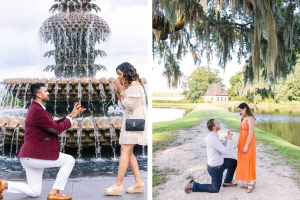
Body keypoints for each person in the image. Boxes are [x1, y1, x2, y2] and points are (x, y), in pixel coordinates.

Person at [0, 83, 85, 200]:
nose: (48, 93)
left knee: (34, 191)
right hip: (33, 155)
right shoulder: (37, 110)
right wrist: (70, 119)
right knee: (69, 160)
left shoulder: (36, 108)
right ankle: (55, 192)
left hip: (29, 156)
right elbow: (56, 129)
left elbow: (52, 124)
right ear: (39, 95)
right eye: (46, 91)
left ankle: (4, 184)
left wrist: (71, 115)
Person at [104, 62, 147, 196]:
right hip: (131, 119)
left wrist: (122, 91)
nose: (118, 77)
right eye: (117, 74)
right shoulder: (130, 87)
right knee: (129, 152)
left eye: (120, 74)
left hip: (135, 119)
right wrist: (119, 92)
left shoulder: (135, 86)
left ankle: (118, 185)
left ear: (126, 73)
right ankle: (139, 182)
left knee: (125, 150)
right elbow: (122, 105)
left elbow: (130, 105)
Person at [184, 119, 237, 193]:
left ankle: (227, 182)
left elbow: (220, 147)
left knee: (233, 162)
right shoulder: (212, 138)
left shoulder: (214, 135)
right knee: (215, 189)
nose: (219, 123)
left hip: (220, 163)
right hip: (215, 168)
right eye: (217, 122)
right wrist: (229, 140)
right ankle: (192, 185)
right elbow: (225, 151)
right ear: (214, 127)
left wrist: (226, 140)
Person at [236, 103, 256, 193]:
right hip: (242, 141)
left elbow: (250, 134)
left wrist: (246, 145)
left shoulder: (251, 119)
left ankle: (251, 181)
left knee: (248, 160)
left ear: (245, 108)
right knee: (242, 161)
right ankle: (248, 181)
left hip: (248, 142)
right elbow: (241, 132)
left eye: (240, 111)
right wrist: (239, 143)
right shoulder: (243, 118)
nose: (240, 113)